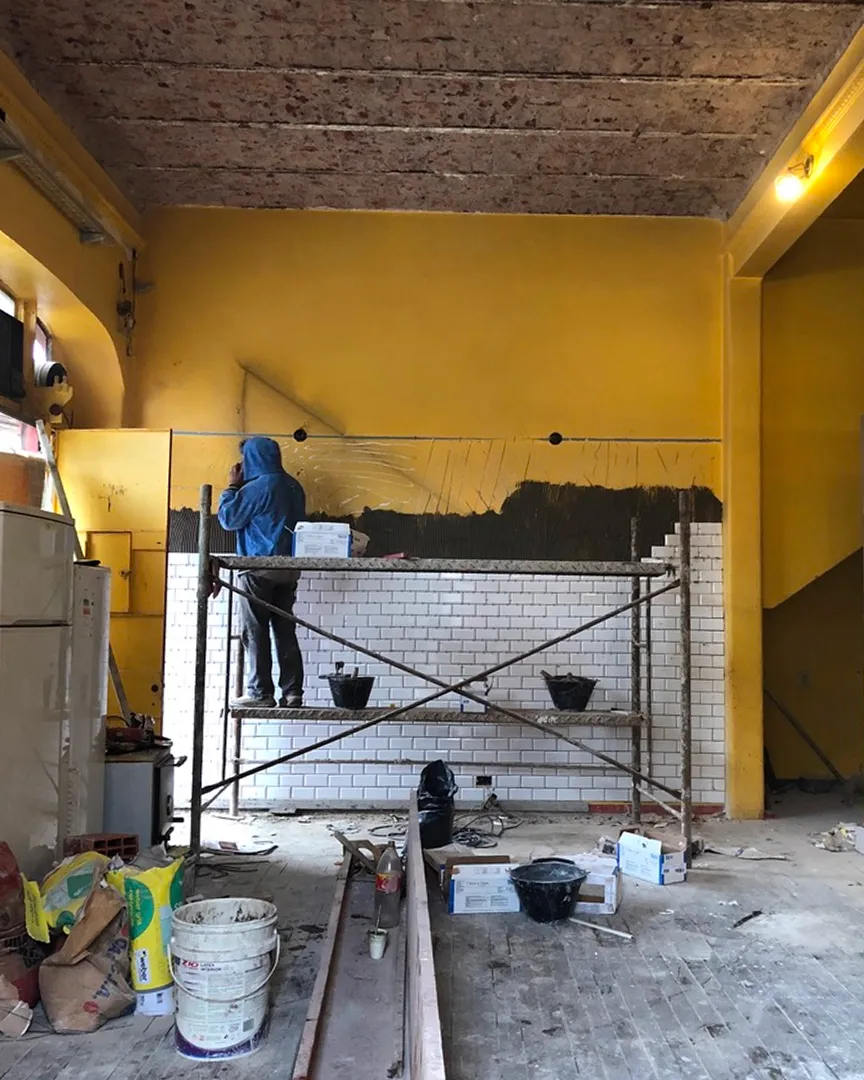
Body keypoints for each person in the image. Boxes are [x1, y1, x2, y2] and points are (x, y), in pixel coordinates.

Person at [218, 437, 306, 708]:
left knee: (255, 630)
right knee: (285, 630)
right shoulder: (294, 486)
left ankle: (260, 693)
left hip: (258, 568)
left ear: (252, 458)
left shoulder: (257, 487)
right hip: (289, 569)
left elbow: (228, 519)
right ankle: (293, 692)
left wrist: (232, 487)